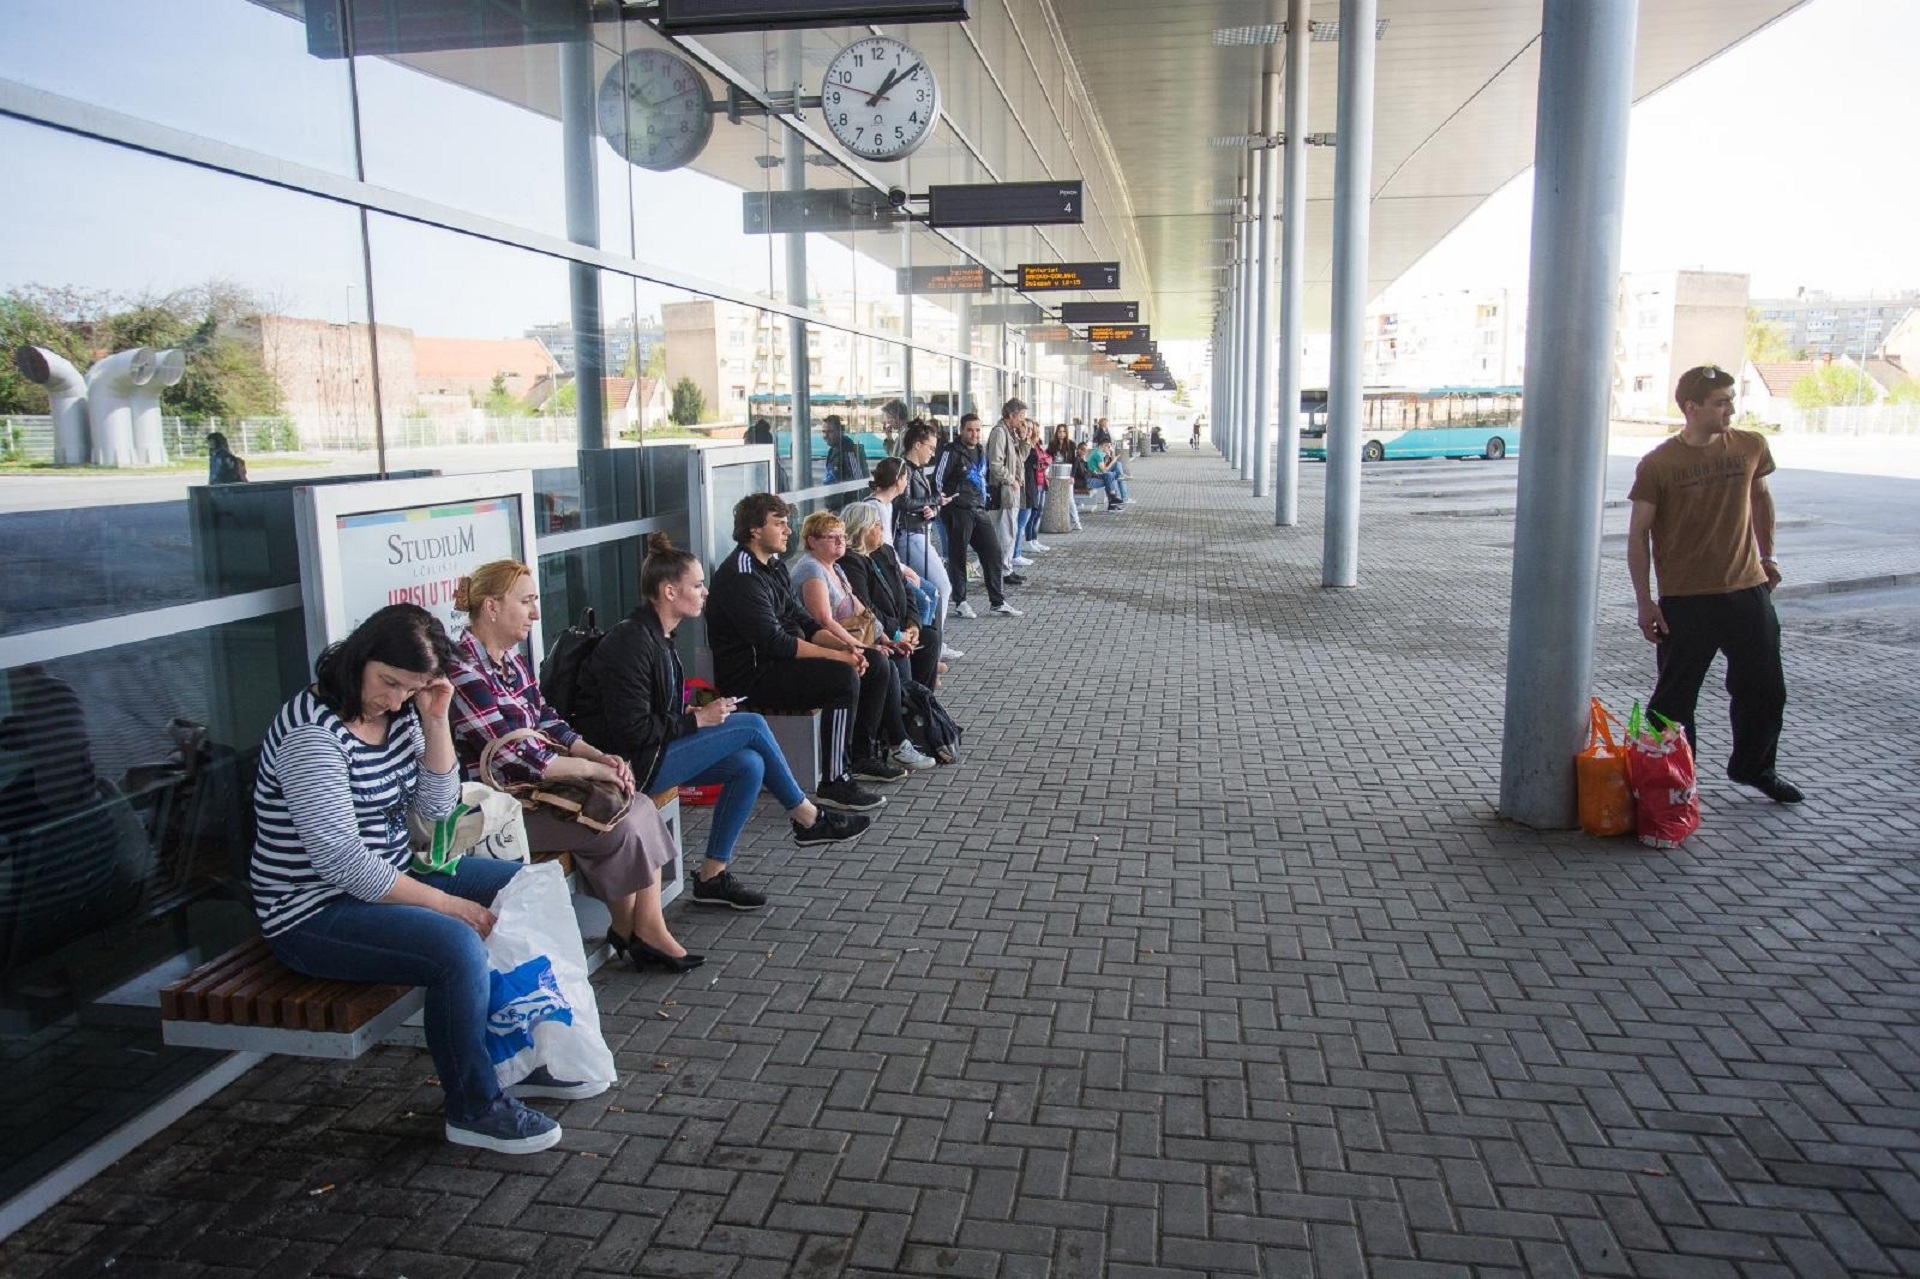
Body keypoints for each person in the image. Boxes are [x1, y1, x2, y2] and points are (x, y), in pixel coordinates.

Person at [251, 604, 586, 1157]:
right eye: (388, 683)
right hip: (312, 911)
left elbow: (436, 809)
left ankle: (519, 1052)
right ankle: (473, 1106)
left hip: (391, 877)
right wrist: (445, 906)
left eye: (409, 689)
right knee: (455, 947)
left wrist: (434, 722)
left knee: (523, 886)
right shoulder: (312, 735)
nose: (393, 699)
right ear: (360, 655)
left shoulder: (405, 713)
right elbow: (342, 863)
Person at [569, 534, 871, 912]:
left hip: (651, 753)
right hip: (631, 768)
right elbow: (631, 732)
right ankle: (808, 819)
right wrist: (698, 722)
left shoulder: (657, 636)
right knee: (751, 726)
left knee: (750, 764)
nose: (705, 592)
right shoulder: (631, 642)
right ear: (668, 591)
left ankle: (712, 875)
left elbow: (654, 716)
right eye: (696, 585)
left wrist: (699, 714)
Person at [446, 561, 698, 973]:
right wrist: (593, 771)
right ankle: (630, 928)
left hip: (537, 794)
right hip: (499, 812)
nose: (536, 613)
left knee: (638, 805)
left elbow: (549, 721)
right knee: (616, 822)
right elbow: (512, 758)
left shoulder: (510, 661)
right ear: (491, 607)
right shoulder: (463, 671)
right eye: (526, 602)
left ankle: (643, 927)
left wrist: (598, 756)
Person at [1628, 364, 1801, 804]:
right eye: (1721, 402)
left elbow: (1761, 499)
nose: (1731, 408)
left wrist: (1769, 555)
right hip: (1686, 601)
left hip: (1747, 591)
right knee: (1673, 701)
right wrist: (1645, 603)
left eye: (1731, 399)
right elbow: (1638, 534)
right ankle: (1677, 781)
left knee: (1765, 688)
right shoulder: (1658, 464)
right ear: (1692, 407)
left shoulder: (1749, 446)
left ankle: (1754, 768)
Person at [705, 492, 891, 811]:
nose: (788, 530)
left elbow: (802, 621)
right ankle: (835, 782)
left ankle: (862, 755)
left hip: (780, 664)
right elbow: (775, 642)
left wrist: (851, 646)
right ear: (754, 530)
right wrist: (839, 657)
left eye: (787, 523)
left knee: (873, 662)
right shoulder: (740, 576)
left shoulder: (774, 567)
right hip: (751, 678)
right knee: (842, 678)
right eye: (779, 524)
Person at [792, 510, 935, 775]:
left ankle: (888, 741)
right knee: (880, 664)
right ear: (812, 541)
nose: (840, 542)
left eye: (842, 536)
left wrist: (886, 638)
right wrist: (862, 648)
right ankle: (875, 749)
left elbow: (862, 611)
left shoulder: (834, 567)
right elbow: (824, 621)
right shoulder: (811, 568)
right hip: (823, 645)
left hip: (845, 639)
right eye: (831, 537)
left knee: (890, 659)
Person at [841, 499, 942, 691]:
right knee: (899, 655)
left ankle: (923, 701)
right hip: (878, 633)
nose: (881, 529)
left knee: (930, 637)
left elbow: (906, 589)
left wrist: (913, 623)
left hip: (901, 625)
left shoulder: (884, 551)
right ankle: (906, 706)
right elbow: (865, 607)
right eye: (876, 525)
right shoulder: (851, 562)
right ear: (861, 530)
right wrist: (896, 632)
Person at [934, 413, 1020, 618]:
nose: (974, 434)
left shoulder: (980, 450)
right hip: (958, 509)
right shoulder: (951, 451)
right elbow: (938, 479)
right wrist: (942, 503)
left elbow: (983, 477)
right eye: (970, 430)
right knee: (958, 556)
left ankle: (997, 602)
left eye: (978, 430)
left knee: (993, 552)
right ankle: (961, 601)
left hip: (978, 508)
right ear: (961, 430)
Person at [895, 421, 961, 658]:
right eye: (930, 448)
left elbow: (914, 503)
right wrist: (932, 502)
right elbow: (902, 502)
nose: (933, 453)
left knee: (927, 590)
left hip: (918, 533)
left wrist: (932, 507)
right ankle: (933, 643)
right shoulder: (905, 469)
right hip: (911, 536)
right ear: (917, 444)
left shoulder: (914, 469)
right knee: (939, 587)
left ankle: (930, 643)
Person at [986, 399, 1031, 584]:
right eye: (1021, 416)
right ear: (1011, 415)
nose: (1023, 421)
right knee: (1005, 531)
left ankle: (1007, 567)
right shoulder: (999, 432)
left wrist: (1024, 439)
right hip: (1005, 490)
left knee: (1011, 530)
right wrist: (1011, 480)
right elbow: (995, 463)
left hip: (1013, 489)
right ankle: (1002, 571)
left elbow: (1022, 458)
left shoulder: (1011, 433)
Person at [822, 414, 868, 489]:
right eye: (823, 431)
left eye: (830, 431)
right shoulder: (832, 450)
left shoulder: (849, 451)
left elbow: (860, 484)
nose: (825, 435)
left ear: (841, 432)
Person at [1084, 438, 1129, 510]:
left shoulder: (1098, 452)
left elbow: (1103, 467)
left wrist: (1109, 457)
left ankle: (1114, 503)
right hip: (1095, 475)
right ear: (1103, 445)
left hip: (1098, 474)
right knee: (1112, 474)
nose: (1109, 448)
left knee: (1116, 466)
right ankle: (1121, 498)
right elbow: (1104, 470)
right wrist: (1113, 461)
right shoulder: (1098, 454)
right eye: (1108, 446)